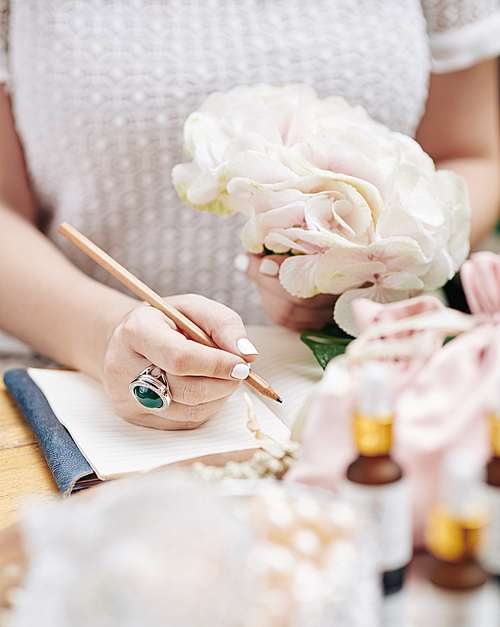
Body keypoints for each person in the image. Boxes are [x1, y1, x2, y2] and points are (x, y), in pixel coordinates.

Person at [0, 0, 499, 430]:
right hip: (73, 391)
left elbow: (470, 155)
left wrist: (357, 268)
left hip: (371, 391)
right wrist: (104, 331)